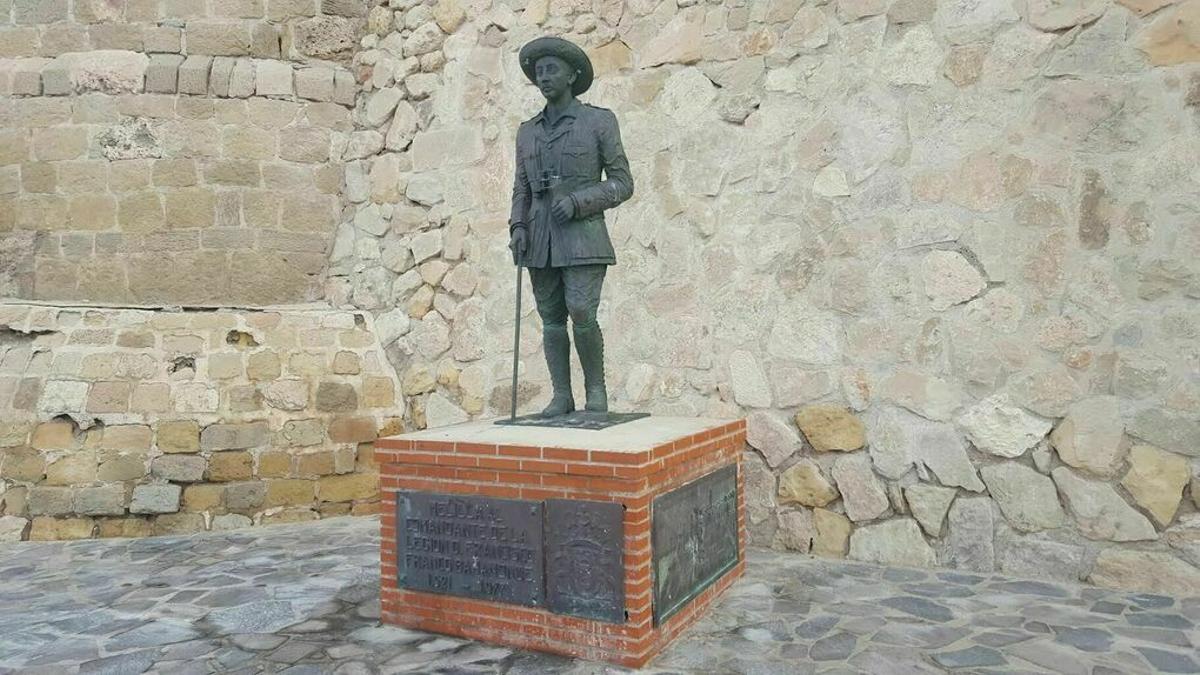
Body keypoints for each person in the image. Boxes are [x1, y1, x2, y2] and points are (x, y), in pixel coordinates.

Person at [508, 36, 634, 416]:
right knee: (550, 320)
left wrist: (579, 202)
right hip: (539, 241)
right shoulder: (527, 131)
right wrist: (517, 226)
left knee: (581, 311)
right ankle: (561, 395)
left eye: (552, 70)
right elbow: (521, 187)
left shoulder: (598, 121)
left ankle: (596, 390)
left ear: (572, 75)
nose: (543, 77)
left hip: (583, 238)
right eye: (539, 71)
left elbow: (623, 183)